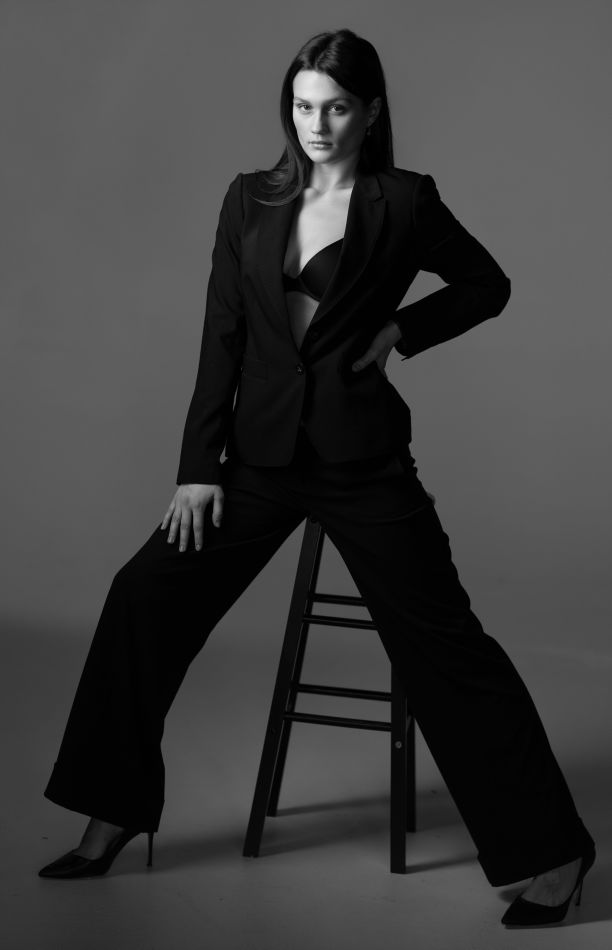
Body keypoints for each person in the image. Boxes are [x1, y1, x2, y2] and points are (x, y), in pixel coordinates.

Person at [39, 27, 595, 929]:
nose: (316, 125)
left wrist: (403, 331)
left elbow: (485, 284)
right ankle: (114, 811)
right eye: (302, 106)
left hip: (362, 464)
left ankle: (554, 853)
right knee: (141, 596)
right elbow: (222, 333)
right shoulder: (249, 197)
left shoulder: (404, 201)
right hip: (258, 462)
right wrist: (197, 469)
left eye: (336, 107)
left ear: (370, 111)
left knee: (449, 650)